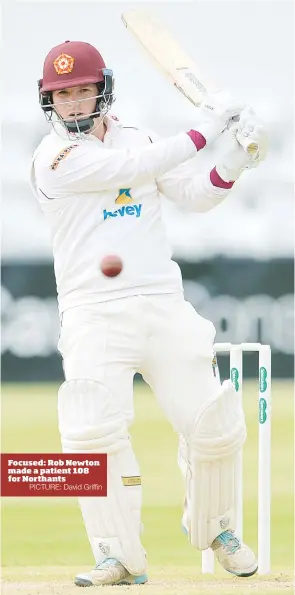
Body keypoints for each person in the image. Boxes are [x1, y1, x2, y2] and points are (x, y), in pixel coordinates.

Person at [31, 40, 268, 587]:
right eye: (61, 94)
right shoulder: (55, 159)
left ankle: (219, 529)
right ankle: (117, 555)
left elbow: (192, 192)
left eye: (82, 90)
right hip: (93, 312)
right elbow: (135, 166)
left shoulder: (136, 137)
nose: (72, 103)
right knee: (89, 430)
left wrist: (232, 157)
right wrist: (205, 130)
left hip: (162, 302)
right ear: (49, 101)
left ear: (102, 91)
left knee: (214, 423)